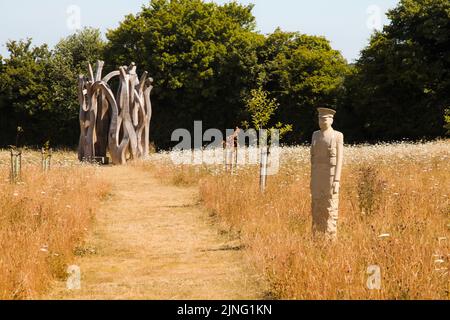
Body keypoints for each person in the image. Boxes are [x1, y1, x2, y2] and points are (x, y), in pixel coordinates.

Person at [310, 108, 344, 240]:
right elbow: (312, 158)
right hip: (317, 176)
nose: (321, 121)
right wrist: (312, 179)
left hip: (330, 176)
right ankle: (317, 235)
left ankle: (330, 237)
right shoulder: (315, 135)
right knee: (316, 204)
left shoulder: (337, 136)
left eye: (324, 119)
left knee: (330, 206)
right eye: (319, 118)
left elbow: (340, 158)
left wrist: (337, 180)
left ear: (331, 120)